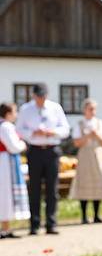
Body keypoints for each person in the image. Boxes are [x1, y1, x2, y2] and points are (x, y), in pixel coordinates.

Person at [16, 83, 70, 235]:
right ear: (33, 96)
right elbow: (19, 129)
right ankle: (34, 224)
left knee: (52, 189)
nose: (40, 99)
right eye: (38, 96)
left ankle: (51, 223)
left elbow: (65, 129)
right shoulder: (26, 109)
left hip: (51, 151)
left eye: (43, 96)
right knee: (34, 188)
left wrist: (52, 132)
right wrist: (33, 133)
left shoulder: (55, 108)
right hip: (35, 151)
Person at [68, 98, 102, 224]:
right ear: (85, 110)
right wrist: (87, 136)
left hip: (97, 154)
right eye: (90, 109)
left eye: (94, 109)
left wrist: (95, 134)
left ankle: (97, 214)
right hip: (84, 155)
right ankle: (84, 215)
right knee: (84, 181)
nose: (92, 111)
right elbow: (76, 143)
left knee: (98, 180)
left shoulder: (99, 123)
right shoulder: (80, 124)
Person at [0, 103, 30, 238]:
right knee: (5, 194)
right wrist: (22, 145)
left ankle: (5, 227)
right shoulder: (5, 126)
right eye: (15, 112)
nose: (16, 115)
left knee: (6, 196)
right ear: (8, 113)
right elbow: (13, 146)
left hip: (7, 162)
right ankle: (4, 228)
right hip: (5, 163)